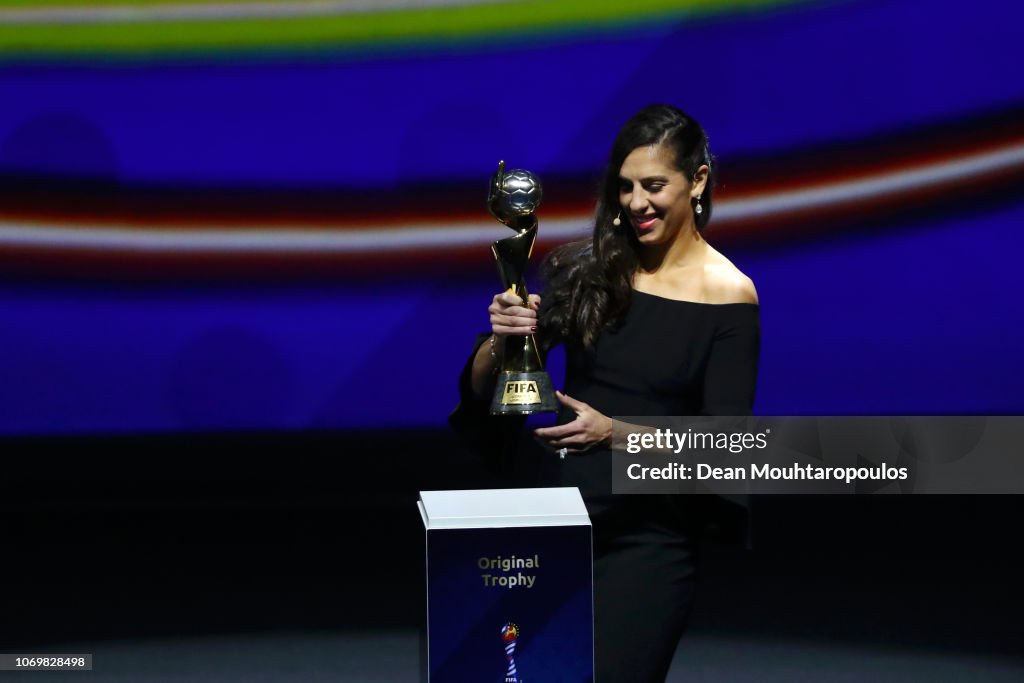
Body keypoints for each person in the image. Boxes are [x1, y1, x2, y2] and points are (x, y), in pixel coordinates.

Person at [451, 104, 760, 682]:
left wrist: (614, 434)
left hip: (648, 539)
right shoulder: (588, 269)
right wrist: (500, 341)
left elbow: (727, 449)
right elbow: (485, 394)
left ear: (697, 181)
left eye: (654, 185)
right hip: (553, 515)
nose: (637, 203)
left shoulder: (730, 295)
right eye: (625, 187)